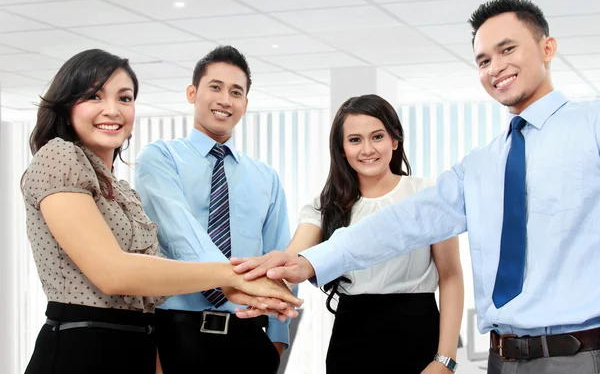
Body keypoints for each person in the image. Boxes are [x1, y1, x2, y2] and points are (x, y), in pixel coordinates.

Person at [232, 0, 600, 374]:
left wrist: (444, 357)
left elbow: (449, 274)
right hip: (502, 359)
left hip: (583, 353)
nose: (496, 67)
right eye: (484, 60)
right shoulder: (479, 166)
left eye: (508, 50)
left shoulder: (591, 128)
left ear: (547, 48)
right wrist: (307, 262)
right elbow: (400, 224)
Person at [20, 48, 301, 374]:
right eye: (95, 96)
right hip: (83, 347)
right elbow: (115, 273)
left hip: (143, 344)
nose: (112, 110)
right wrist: (231, 277)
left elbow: (147, 284)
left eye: (124, 98)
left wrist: (277, 337)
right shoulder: (60, 157)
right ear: (68, 104)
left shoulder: (121, 190)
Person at [264, 94, 465, 373]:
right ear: (342, 149)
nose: (367, 149)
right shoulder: (325, 206)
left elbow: (451, 275)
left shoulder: (427, 195)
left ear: (395, 140)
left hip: (419, 335)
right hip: (351, 340)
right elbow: (295, 255)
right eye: (355, 139)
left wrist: (445, 359)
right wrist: (273, 271)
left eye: (378, 136)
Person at [134, 45, 297, 374]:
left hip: (248, 334)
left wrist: (276, 343)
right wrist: (231, 282)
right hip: (176, 331)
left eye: (236, 92)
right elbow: (180, 233)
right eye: (215, 87)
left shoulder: (266, 177)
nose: (225, 99)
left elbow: (280, 259)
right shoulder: (160, 158)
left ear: (245, 104)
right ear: (192, 93)